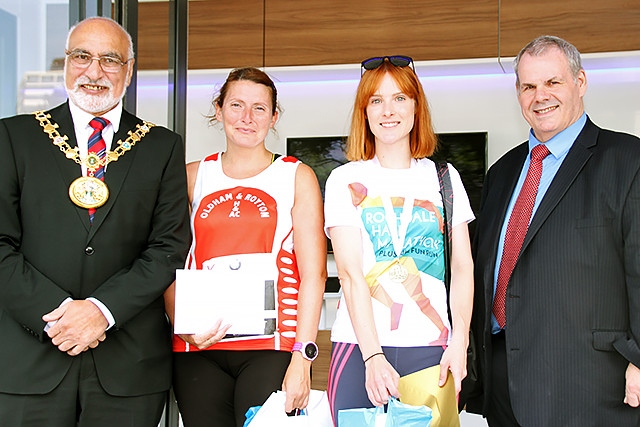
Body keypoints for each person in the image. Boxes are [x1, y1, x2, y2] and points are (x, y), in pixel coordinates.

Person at [0, 16, 191, 427]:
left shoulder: (162, 146)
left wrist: (102, 311)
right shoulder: (14, 138)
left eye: (110, 60)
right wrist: (62, 315)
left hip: (127, 369)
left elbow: (169, 246)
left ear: (129, 70)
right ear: (66, 63)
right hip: (28, 363)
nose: (94, 71)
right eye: (82, 56)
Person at [463, 35, 640, 425]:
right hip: (503, 382)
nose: (540, 96)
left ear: (580, 82)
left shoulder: (629, 161)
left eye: (553, 82)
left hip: (589, 385)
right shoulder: (502, 173)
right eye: (528, 86)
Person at [163, 67, 327, 427]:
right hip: (198, 346)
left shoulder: (295, 175)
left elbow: (314, 273)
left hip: (271, 346)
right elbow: (164, 258)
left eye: (259, 108)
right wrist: (181, 324)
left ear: (274, 117)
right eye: (236, 105)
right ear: (218, 110)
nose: (246, 118)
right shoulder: (191, 176)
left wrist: (303, 356)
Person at [324, 56, 474, 426]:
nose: (388, 110)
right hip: (359, 348)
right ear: (365, 111)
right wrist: (373, 357)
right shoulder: (344, 179)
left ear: (416, 106)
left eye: (400, 98)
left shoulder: (445, 177)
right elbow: (349, 273)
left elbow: (463, 267)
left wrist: (460, 343)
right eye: (376, 100)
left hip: (431, 350)